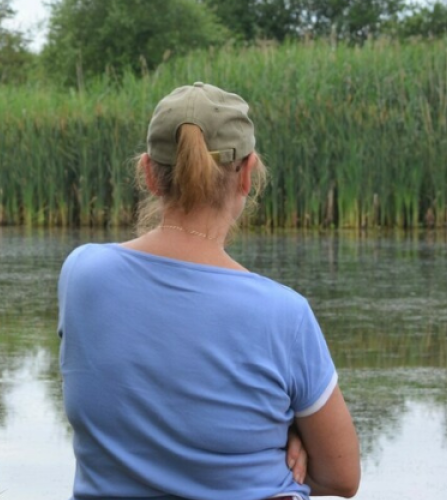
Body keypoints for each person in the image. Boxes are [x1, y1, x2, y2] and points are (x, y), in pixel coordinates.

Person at [57, 82, 361, 500]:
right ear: (248, 175)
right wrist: (292, 437)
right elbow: (340, 478)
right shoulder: (284, 314)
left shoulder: (82, 273)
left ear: (148, 173)